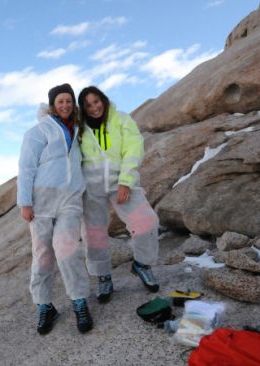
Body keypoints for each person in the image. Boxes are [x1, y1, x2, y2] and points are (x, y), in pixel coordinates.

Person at [17, 83, 93, 335]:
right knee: (43, 255)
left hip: (70, 200)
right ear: (52, 104)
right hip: (41, 203)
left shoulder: (79, 128)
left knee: (67, 249)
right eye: (61, 101)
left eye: (69, 101)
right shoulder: (38, 132)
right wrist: (25, 202)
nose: (65, 105)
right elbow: (26, 168)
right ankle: (45, 305)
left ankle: (79, 300)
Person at [78, 86, 160, 303]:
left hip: (119, 182)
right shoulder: (80, 129)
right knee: (92, 234)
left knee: (147, 222)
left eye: (97, 101)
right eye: (88, 105)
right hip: (91, 188)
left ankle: (141, 264)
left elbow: (133, 149)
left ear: (103, 100)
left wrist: (125, 181)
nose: (95, 107)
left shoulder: (121, 120)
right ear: (83, 109)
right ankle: (103, 276)